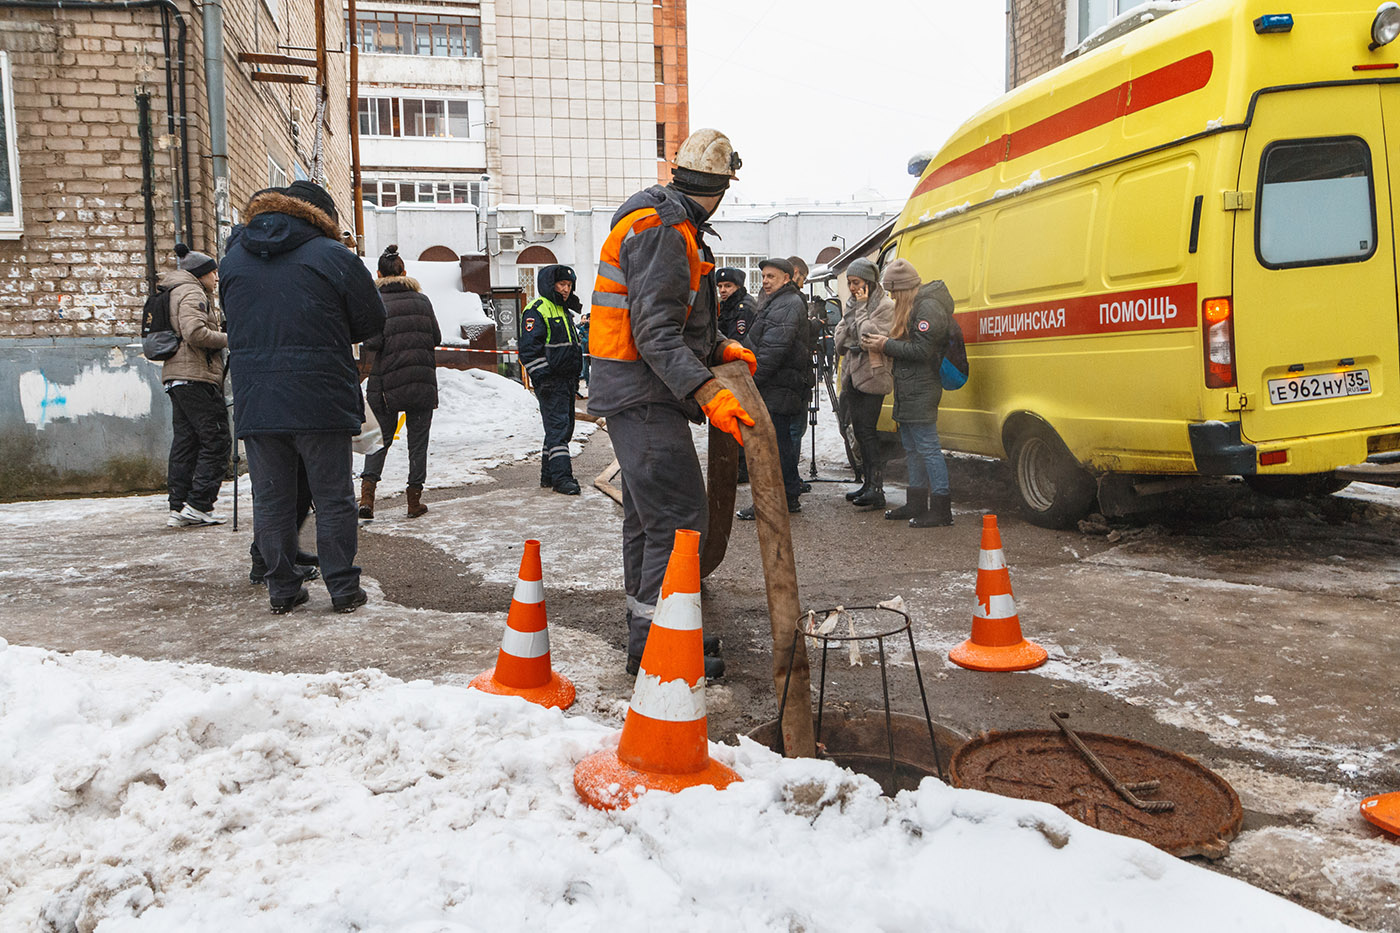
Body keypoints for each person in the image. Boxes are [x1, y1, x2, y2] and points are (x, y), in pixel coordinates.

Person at [588, 127, 756, 678]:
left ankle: (649, 644)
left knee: (648, 521)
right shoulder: (665, 229)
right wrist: (708, 389)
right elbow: (656, 332)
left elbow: (674, 322)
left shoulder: (668, 223)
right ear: (721, 188)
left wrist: (719, 347)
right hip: (643, 392)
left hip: (636, 390)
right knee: (681, 521)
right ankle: (667, 650)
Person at [221, 180, 386, 614]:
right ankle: (343, 588)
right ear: (321, 216)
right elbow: (372, 320)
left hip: (258, 397)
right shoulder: (333, 256)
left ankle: (282, 589)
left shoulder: (234, 259)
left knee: (271, 498)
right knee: (333, 496)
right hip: (320, 396)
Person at [861, 258, 955, 527]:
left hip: (922, 388)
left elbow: (923, 351)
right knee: (913, 449)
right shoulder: (917, 306)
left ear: (903, 289)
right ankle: (916, 503)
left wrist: (885, 344)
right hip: (910, 388)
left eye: (893, 292)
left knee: (928, 448)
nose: (891, 297)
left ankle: (941, 508)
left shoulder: (928, 307)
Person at [358, 244, 442, 519]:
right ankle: (413, 501)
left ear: (379, 273)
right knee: (418, 443)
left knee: (379, 440)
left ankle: (367, 498)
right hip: (420, 382)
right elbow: (436, 338)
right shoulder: (423, 300)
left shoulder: (375, 302)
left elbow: (372, 343)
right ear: (404, 272)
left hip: (385, 385)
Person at [161, 244, 232, 527]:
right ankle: (199, 504)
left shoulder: (172, 290)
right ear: (199, 274)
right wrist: (230, 339)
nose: (216, 277)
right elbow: (195, 333)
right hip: (196, 377)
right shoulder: (192, 292)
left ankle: (178, 507)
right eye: (212, 272)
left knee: (186, 443)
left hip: (177, 378)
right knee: (216, 440)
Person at [736, 257, 809, 520]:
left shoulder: (787, 304)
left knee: (769, 447)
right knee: (780, 444)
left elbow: (772, 351)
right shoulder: (778, 301)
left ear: (787, 278)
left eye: (772, 277)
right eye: (764, 276)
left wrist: (750, 383)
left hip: (776, 385)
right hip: (777, 384)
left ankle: (770, 502)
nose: (766, 281)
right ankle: (788, 496)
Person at [833, 257, 896, 510]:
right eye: (849, 282)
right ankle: (867, 482)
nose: (852, 288)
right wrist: (853, 341)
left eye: (856, 282)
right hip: (853, 375)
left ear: (869, 282)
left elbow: (868, 336)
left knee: (868, 433)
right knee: (859, 431)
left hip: (873, 376)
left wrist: (860, 312)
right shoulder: (852, 303)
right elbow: (840, 337)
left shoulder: (884, 305)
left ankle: (876, 488)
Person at [519, 264, 585, 495]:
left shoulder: (563, 311)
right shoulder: (537, 310)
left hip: (566, 381)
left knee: (561, 429)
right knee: (558, 429)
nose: (566, 289)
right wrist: (543, 378)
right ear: (550, 284)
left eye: (569, 285)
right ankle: (562, 478)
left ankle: (548, 475)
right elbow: (528, 351)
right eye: (562, 284)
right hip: (551, 382)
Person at [716, 267, 757, 341]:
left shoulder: (744, 308)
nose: (722, 290)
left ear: (738, 286)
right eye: (720, 286)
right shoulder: (726, 304)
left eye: (728, 286)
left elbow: (737, 340)